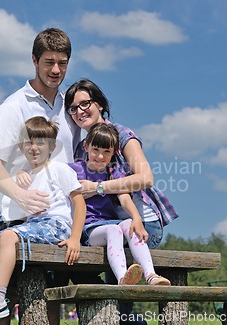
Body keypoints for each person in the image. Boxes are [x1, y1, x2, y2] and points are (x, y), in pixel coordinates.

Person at [0, 27, 79, 324]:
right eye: (49, 62)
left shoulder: (70, 108)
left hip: (60, 223)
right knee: (2, 306)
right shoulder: (15, 106)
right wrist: (20, 194)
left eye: (62, 63)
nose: (55, 70)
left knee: (48, 306)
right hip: (20, 221)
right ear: (34, 60)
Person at [65, 79, 179, 324]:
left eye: (85, 103)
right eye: (73, 108)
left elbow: (146, 178)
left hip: (141, 224)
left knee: (113, 246)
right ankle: (126, 318)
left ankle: (127, 315)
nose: (79, 111)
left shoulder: (122, 135)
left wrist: (97, 188)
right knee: (71, 265)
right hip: (106, 223)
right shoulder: (81, 150)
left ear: (100, 105)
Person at [0, 117, 86, 324]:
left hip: (56, 225)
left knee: (9, 236)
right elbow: (21, 212)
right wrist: (19, 181)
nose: (34, 148)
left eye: (40, 143)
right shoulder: (26, 175)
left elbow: (80, 203)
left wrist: (75, 238)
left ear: (52, 147)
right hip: (33, 225)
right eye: (28, 143)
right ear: (21, 147)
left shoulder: (60, 170)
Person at [69, 123, 171, 286]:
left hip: (108, 223)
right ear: (86, 147)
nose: (100, 156)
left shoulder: (112, 174)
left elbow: (124, 198)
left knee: (128, 225)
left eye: (106, 152)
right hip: (88, 228)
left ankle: (151, 275)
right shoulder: (73, 171)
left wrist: (136, 218)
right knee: (114, 230)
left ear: (113, 153)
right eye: (96, 150)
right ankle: (123, 277)